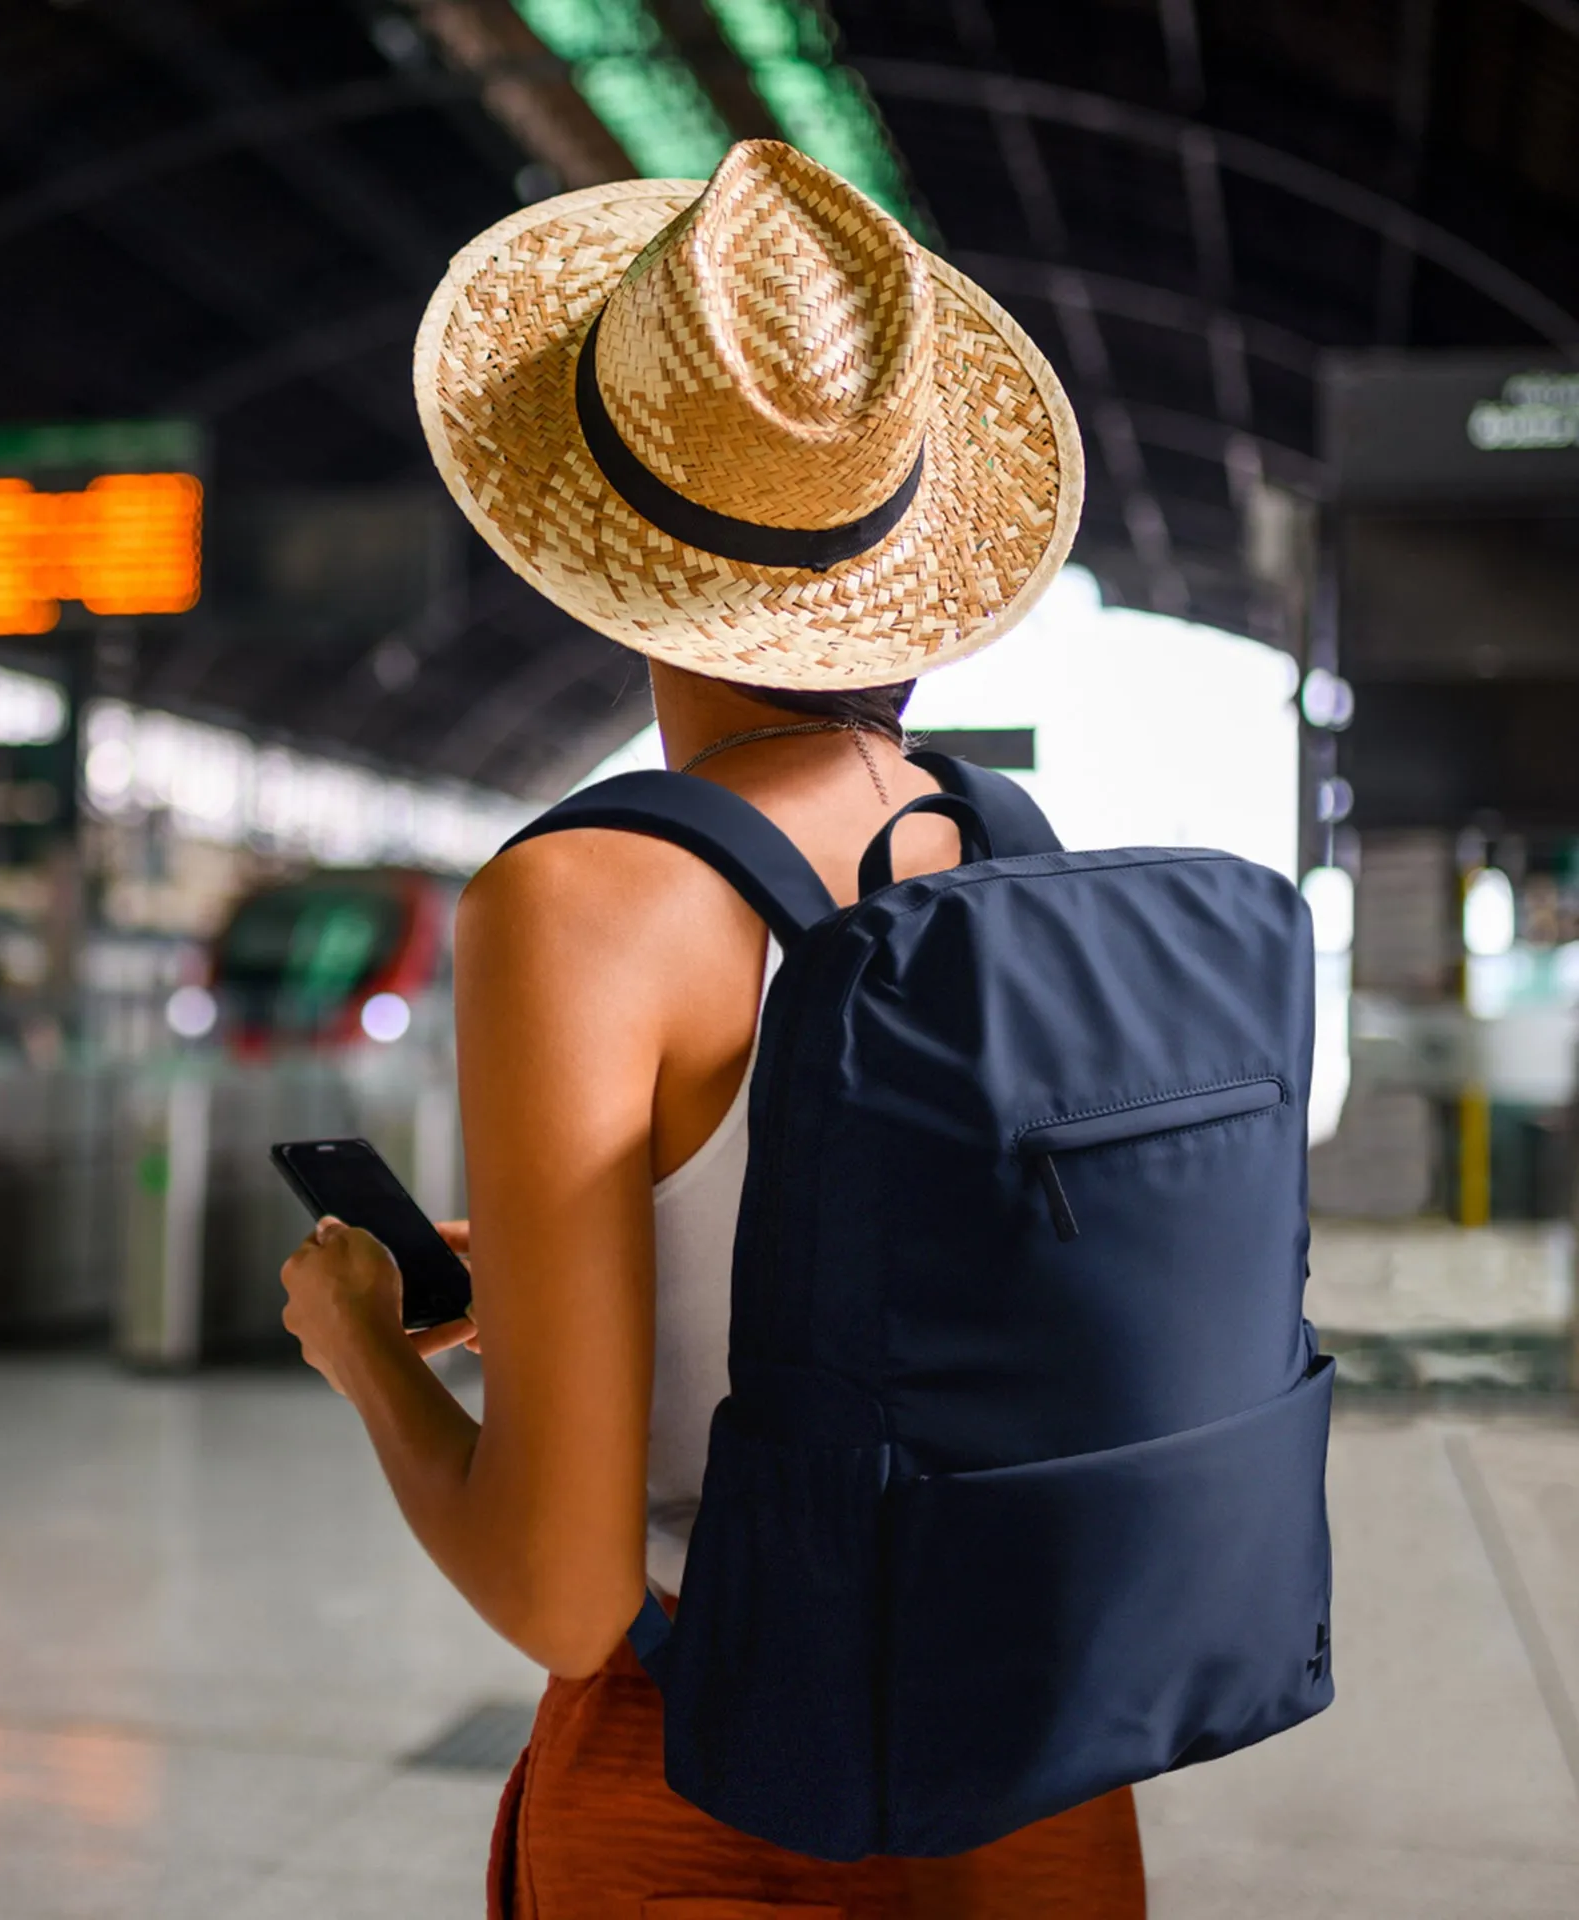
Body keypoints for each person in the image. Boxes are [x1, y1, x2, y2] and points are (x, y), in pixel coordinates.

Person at [278, 140, 1145, 1917]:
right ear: (906, 538)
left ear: (598, 548)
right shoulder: (1022, 861)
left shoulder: (587, 898)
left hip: (720, 1779)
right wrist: (551, 1282)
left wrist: (365, 1345)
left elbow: (566, 1595)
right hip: (1052, 1769)